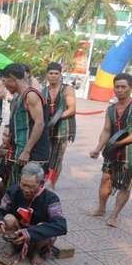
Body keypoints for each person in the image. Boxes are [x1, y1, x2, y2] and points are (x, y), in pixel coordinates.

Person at [87, 73, 132, 227]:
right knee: (105, 179)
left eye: (123, 87)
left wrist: (119, 143)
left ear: (131, 88)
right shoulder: (111, 109)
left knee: (125, 184)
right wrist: (98, 148)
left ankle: (114, 215)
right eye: (117, 87)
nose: (120, 90)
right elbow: (107, 130)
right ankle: (101, 209)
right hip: (112, 150)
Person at [0, 163, 67, 265]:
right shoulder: (13, 191)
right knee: (8, 219)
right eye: (23, 184)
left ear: (41, 183)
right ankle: (15, 246)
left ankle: (36, 252)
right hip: (19, 229)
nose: (26, 190)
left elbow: (61, 226)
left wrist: (29, 233)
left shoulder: (51, 198)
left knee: (44, 226)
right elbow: (1, 209)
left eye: (31, 186)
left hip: (37, 233)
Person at [1, 63, 50, 188]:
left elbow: (40, 123)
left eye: (4, 81)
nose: (4, 85)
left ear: (12, 78)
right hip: (20, 151)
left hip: (33, 154)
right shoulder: (18, 96)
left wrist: (27, 151)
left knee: (29, 190)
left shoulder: (31, 95)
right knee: (15, 189)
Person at [42, 62, 76, 190]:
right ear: (47, 75)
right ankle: (43, 180)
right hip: (46, 127)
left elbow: (71, 109)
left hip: (62, 127)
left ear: (60, 75)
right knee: (45, 155)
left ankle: (52, 184)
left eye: (56, 73)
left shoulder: (67, 89)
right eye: (51, 73)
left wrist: (55, 118)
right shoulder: (43, 91)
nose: (53, 76)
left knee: (58, 157)